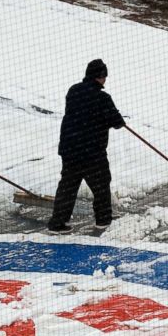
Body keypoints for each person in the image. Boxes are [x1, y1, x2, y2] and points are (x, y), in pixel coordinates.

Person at [47, 59, 126, 234]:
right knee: (101, 185)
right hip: (92, 152)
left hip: (70, 149)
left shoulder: (73, 91)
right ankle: (103, 220)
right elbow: (116, 121)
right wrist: (118, 119)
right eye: (104, 76)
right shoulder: (103, 98)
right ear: (101, 76)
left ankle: (57, 223)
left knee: (68, 186)